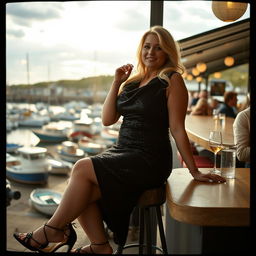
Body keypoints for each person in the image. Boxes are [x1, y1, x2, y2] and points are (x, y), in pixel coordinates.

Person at [13, 26, 226, 254]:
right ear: (140, 50)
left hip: (149, 158)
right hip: (123, 151)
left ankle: (52, 230)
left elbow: (177, 129)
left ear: (167, 53)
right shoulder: (133, 82)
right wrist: (116, 82)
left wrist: (194, 171)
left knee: (81, 167)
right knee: (81, 188)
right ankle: (100, 246)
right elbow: (107, 119)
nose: (151, 52)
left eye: (158, 48)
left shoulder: (172, 81)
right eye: (147, 46)